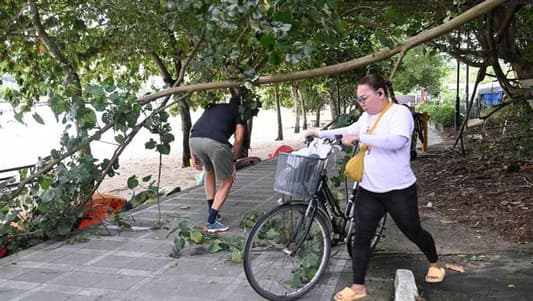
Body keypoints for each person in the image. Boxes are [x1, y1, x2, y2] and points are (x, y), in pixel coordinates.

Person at [305, 74, 445, 301]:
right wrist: (320, 133)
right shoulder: (366, 117)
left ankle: (435, 263)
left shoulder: (399, 113)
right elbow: (350, 130)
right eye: (359, 100)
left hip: (398, 190)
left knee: (413, 231)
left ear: (381, 93)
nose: (361, 104)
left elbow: (397, 141)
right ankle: (358, 287)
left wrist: (362, 138)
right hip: (370, 189)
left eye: (364, 99)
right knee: (361, 237)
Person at [190, 96, 245, 233]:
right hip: (215, 144)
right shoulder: (240, 111)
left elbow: (192, 129)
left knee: (209, 171)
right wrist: (233, 161)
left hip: (194, 140)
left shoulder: (213, 107)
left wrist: (192, 155)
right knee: (228, 180)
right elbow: (238, 139)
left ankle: (211, 210)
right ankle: (211, 222)